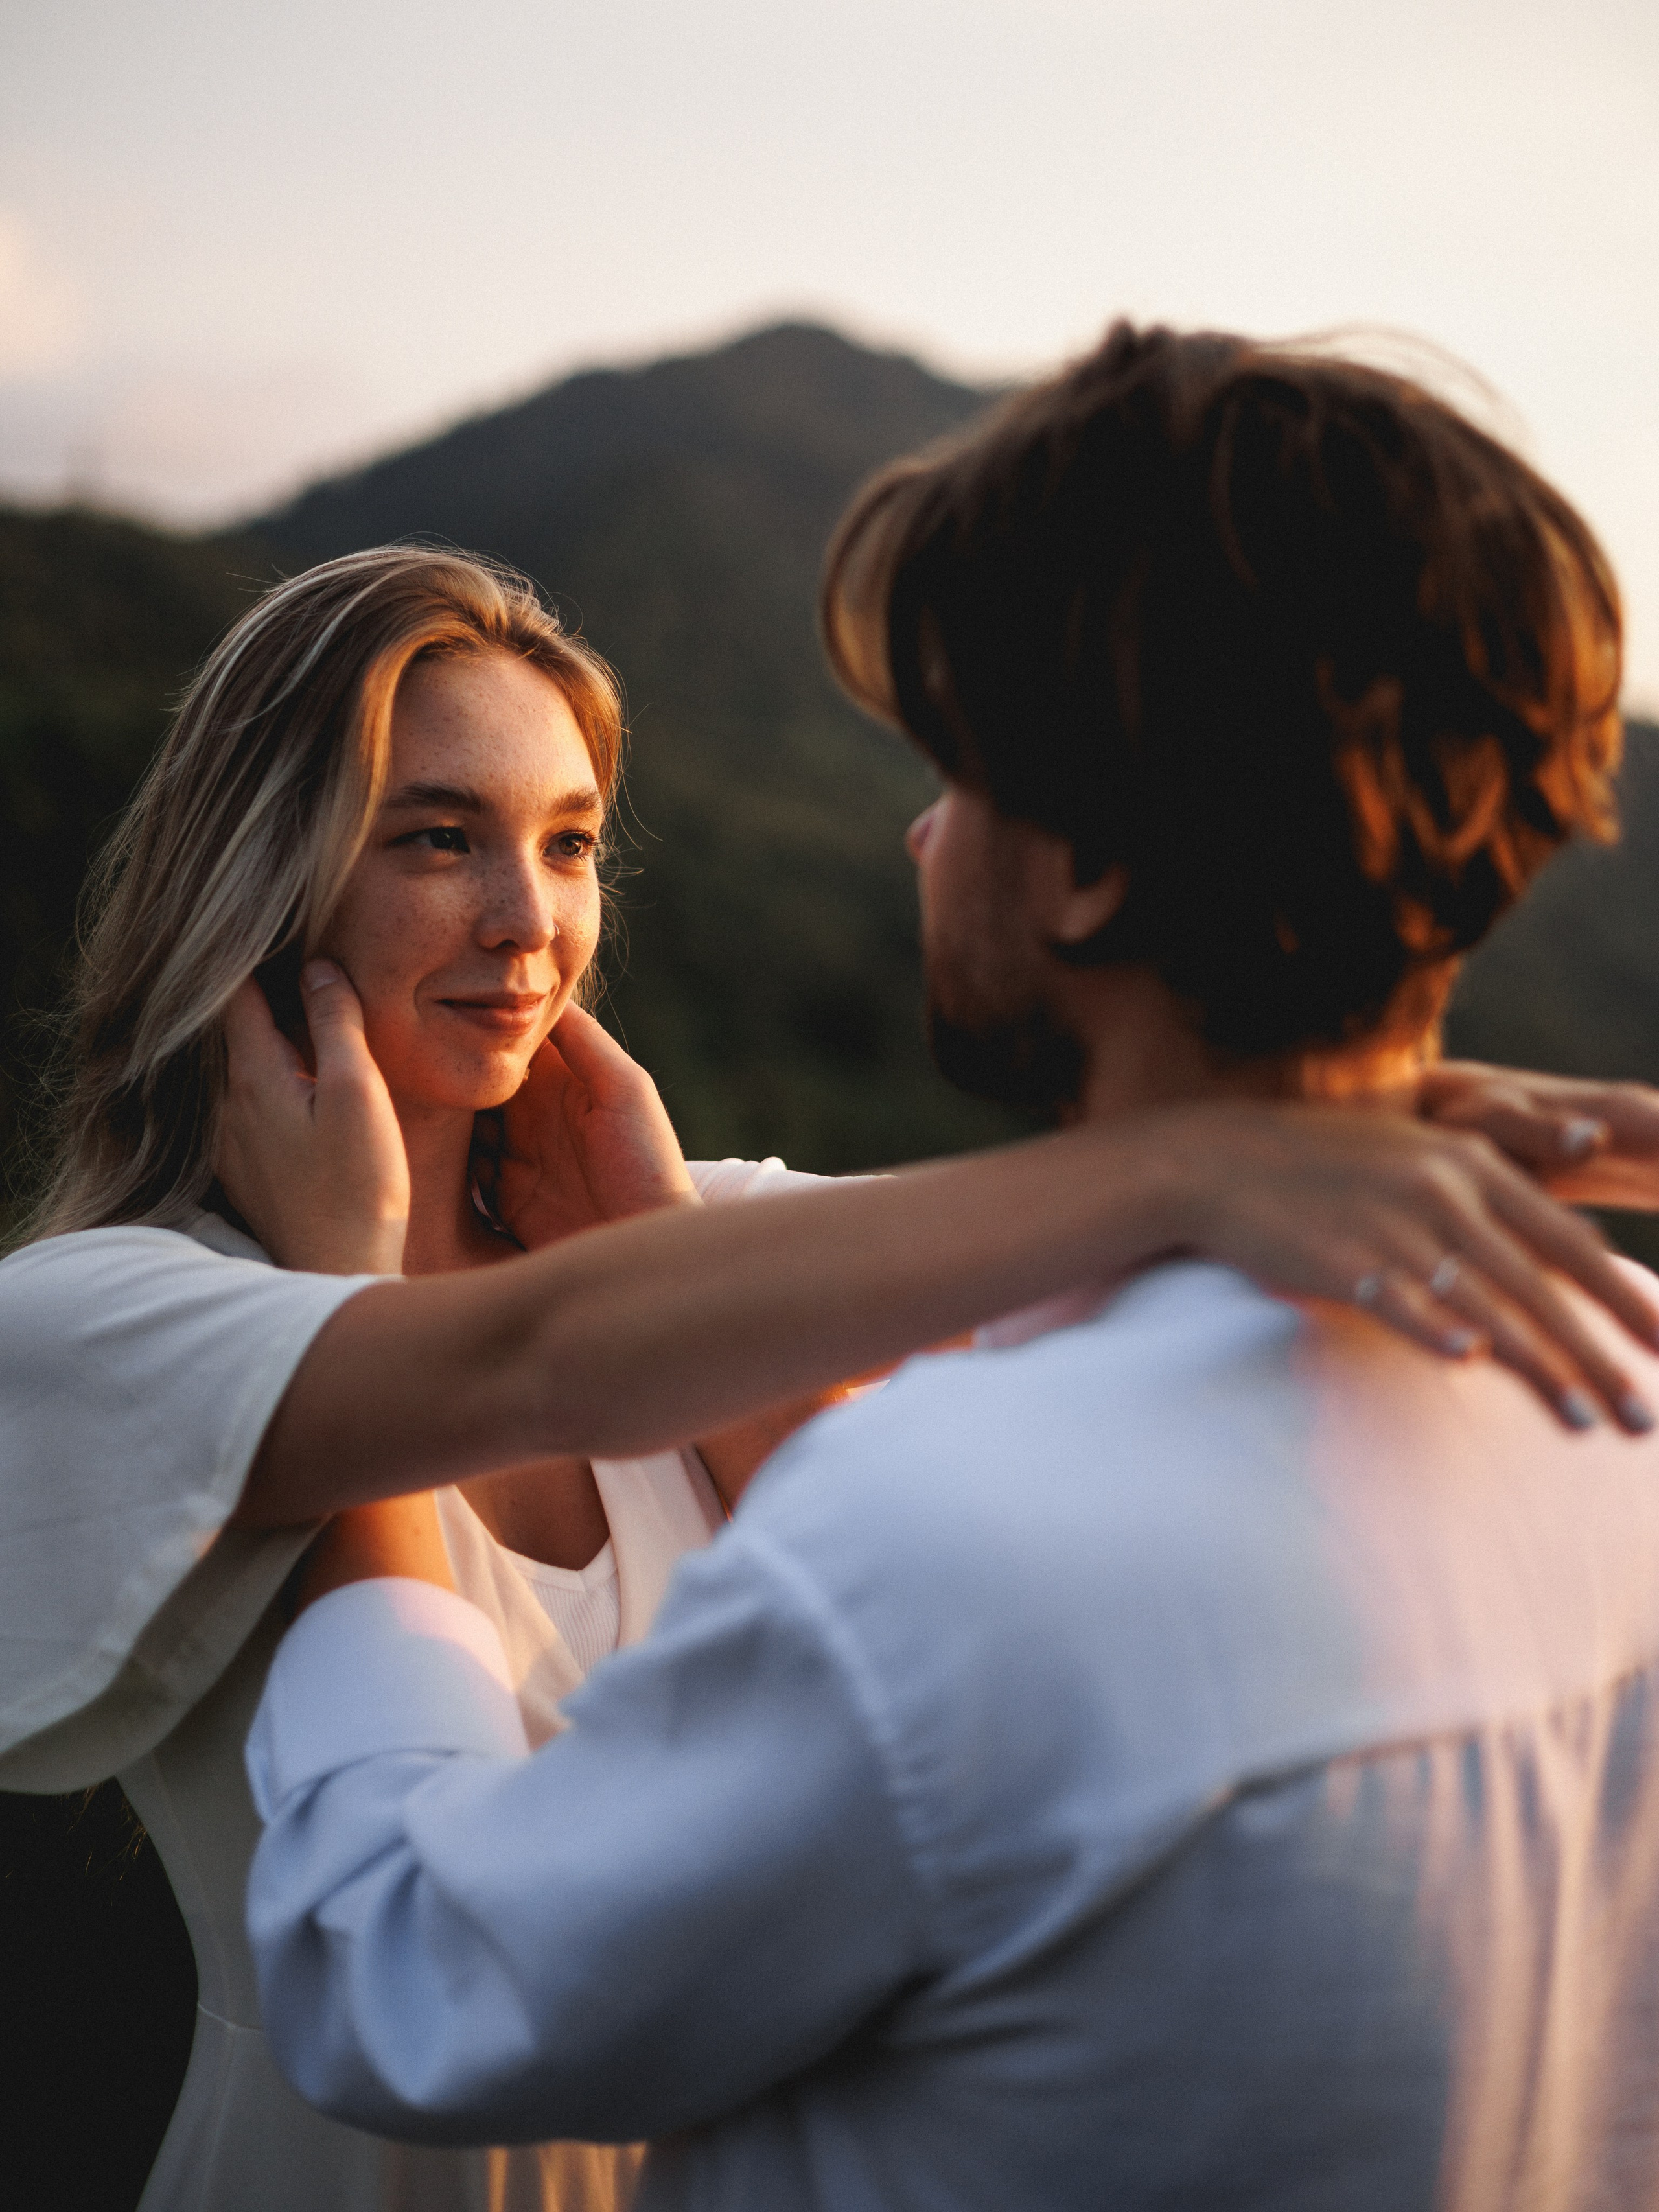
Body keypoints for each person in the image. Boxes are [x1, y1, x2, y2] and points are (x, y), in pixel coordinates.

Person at [6, 543, 1635, 2212]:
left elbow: (1073, 1305)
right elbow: (508, 1364)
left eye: (569, 845)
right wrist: (1220, 1153)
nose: (528, 922)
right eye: (440, 838)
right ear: (267, 874)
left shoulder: (695, 1238)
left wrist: (1360, 1125)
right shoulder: (99, 1317)